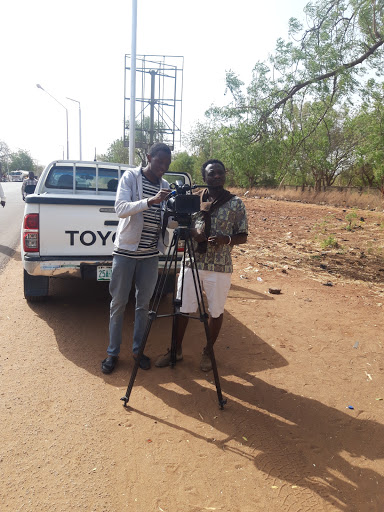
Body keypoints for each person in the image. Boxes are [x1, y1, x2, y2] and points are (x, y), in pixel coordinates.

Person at [155, 159, 248, 371]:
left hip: (220, 266)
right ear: (204, 178)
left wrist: (227, 239)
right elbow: (179, 222)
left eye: (220, 173)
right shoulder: (192, 200)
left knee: (215, 311)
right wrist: (191, 232)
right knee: (183, 308)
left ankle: (208, 351)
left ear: (225, 175)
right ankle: (175, 350)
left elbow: (243, 236)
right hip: (191, 261)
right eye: (212, 174)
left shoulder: (235, 203)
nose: (216, 176)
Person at [101, 143, 172, 374]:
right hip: (125, 253)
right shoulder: (131, 177)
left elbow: (168, 221)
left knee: (144, 306)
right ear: (149, 157)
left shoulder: (166, 186)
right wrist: (150, 201)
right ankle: (112, 353)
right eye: (160, 161)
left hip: (150, 255)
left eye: (167, 163)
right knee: (118, 304)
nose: (163, 167)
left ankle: (137, 350)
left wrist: (179, 213)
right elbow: (120, 208)